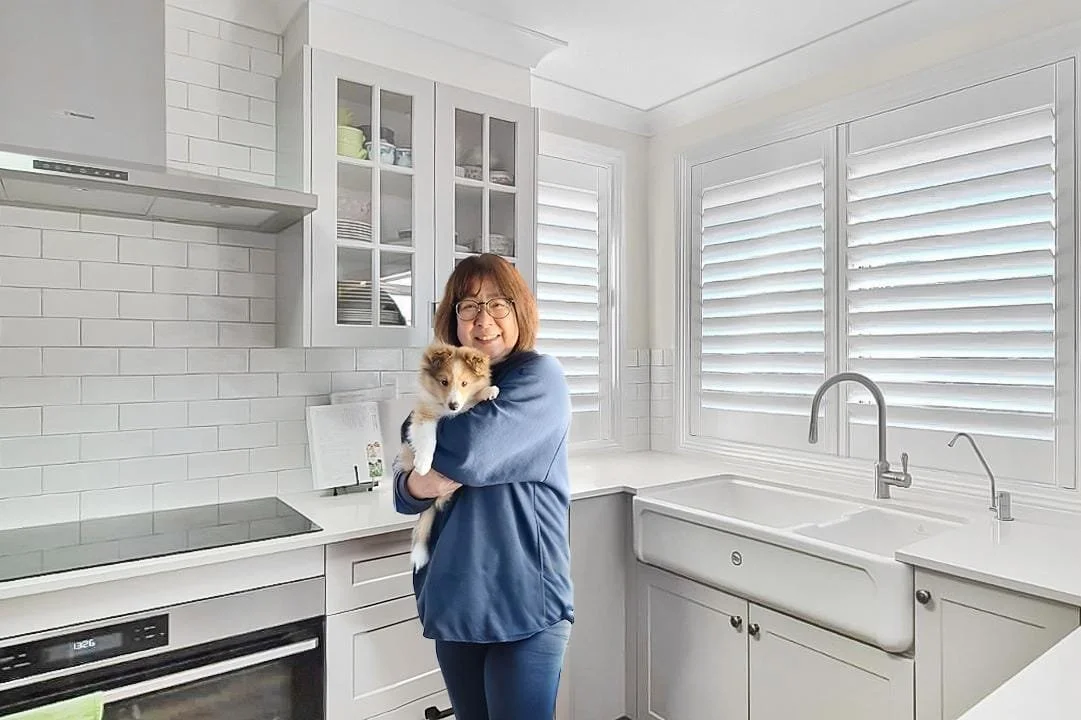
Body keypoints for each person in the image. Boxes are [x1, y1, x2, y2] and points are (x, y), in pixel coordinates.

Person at [392, 254, 574, 720]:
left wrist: (426, 455)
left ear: (519, 313)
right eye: (468, 306)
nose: (483, 319)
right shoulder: (451, 380)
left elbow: (473, 451)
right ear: (452, 319)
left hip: (522, 599)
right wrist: (417, 480)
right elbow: (404, 484)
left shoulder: (539, 377)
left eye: (498, 304)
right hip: (455, 596)